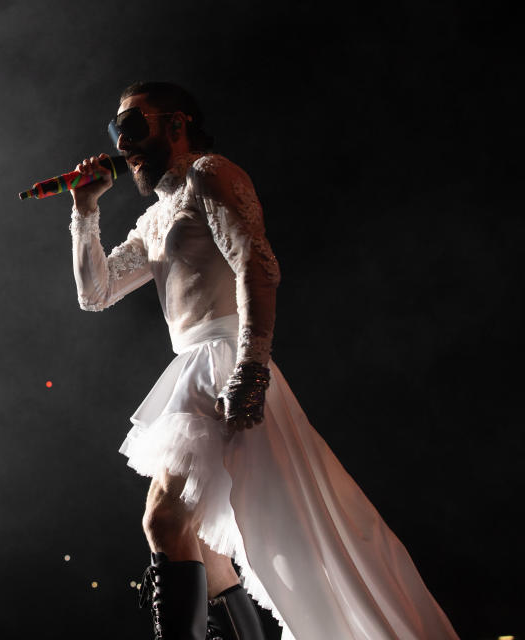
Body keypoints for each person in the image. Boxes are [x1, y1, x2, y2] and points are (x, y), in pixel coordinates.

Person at [68, 81, 458, 640]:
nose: (122, 142)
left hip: (226, 359)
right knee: (202, 539)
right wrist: (86, 210)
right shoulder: (156, 218)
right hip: (194, 366)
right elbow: (95, 293)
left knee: (166, 518)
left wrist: (251, 367)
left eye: (134, 126)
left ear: (177, 124)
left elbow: (257, 266)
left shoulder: (209, 173)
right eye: (116, 130)